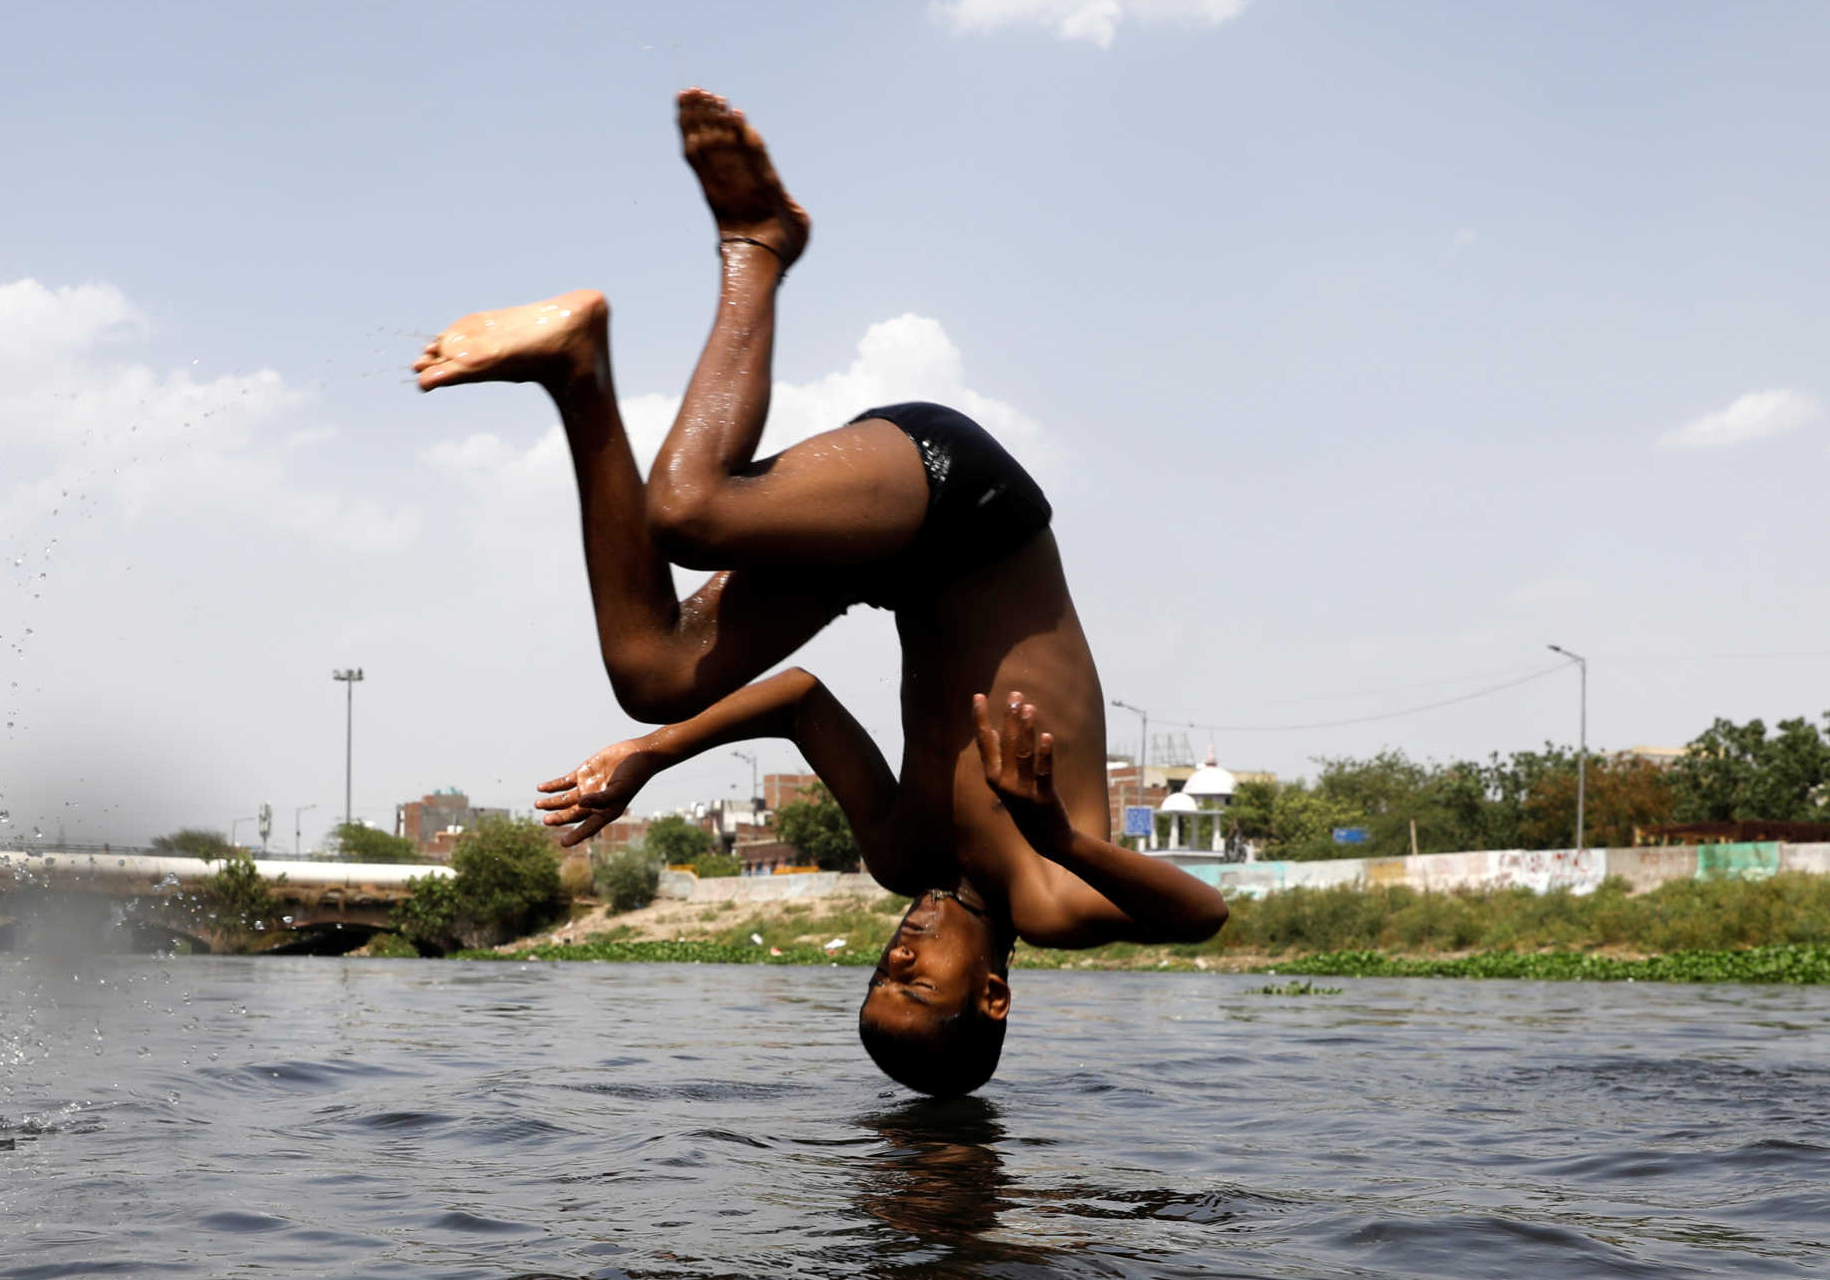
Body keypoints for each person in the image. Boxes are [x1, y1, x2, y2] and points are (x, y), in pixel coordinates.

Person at [413, 90, 1226, 1096]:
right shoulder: (1050, 895)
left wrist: (649, 759)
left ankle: (576, 367)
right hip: (971, 511)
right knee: (688, 512)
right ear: (991, 996)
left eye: (877, 976)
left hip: (886, 566)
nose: (896, 954)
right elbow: (1203, 917)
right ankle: (758, 242)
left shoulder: (900, 855)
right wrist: (1054, 830)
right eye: (915, 984)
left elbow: (801, 703)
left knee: (652, 676)